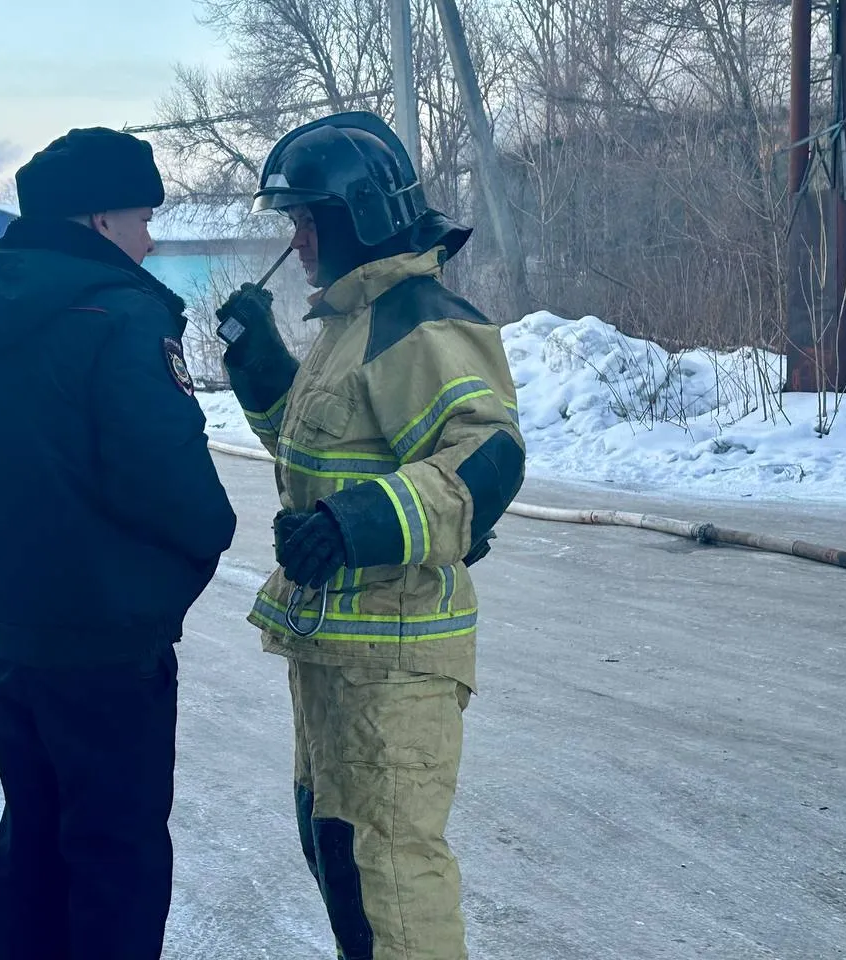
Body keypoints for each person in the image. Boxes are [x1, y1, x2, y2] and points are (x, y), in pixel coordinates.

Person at [0, 127, 237, 960]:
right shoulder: (120, 316)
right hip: (116, 643)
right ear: (97, 221)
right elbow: (178, 491)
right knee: (115, 858)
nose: (150, 238)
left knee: (34, 845)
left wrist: (19, 529)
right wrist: (190, 553)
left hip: (17, 632)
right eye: (141, 217)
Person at [216, 112, 526, 960]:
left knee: (389, 872)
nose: (299, 238)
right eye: (293, 224)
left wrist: (351, 528)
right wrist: (265, 374)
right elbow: (326, 457)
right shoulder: (351, 324)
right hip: (340, 650)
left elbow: (488, 455)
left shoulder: (421, 320)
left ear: (357, 214)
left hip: (396, 655)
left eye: (308, 219)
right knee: (342, 857)